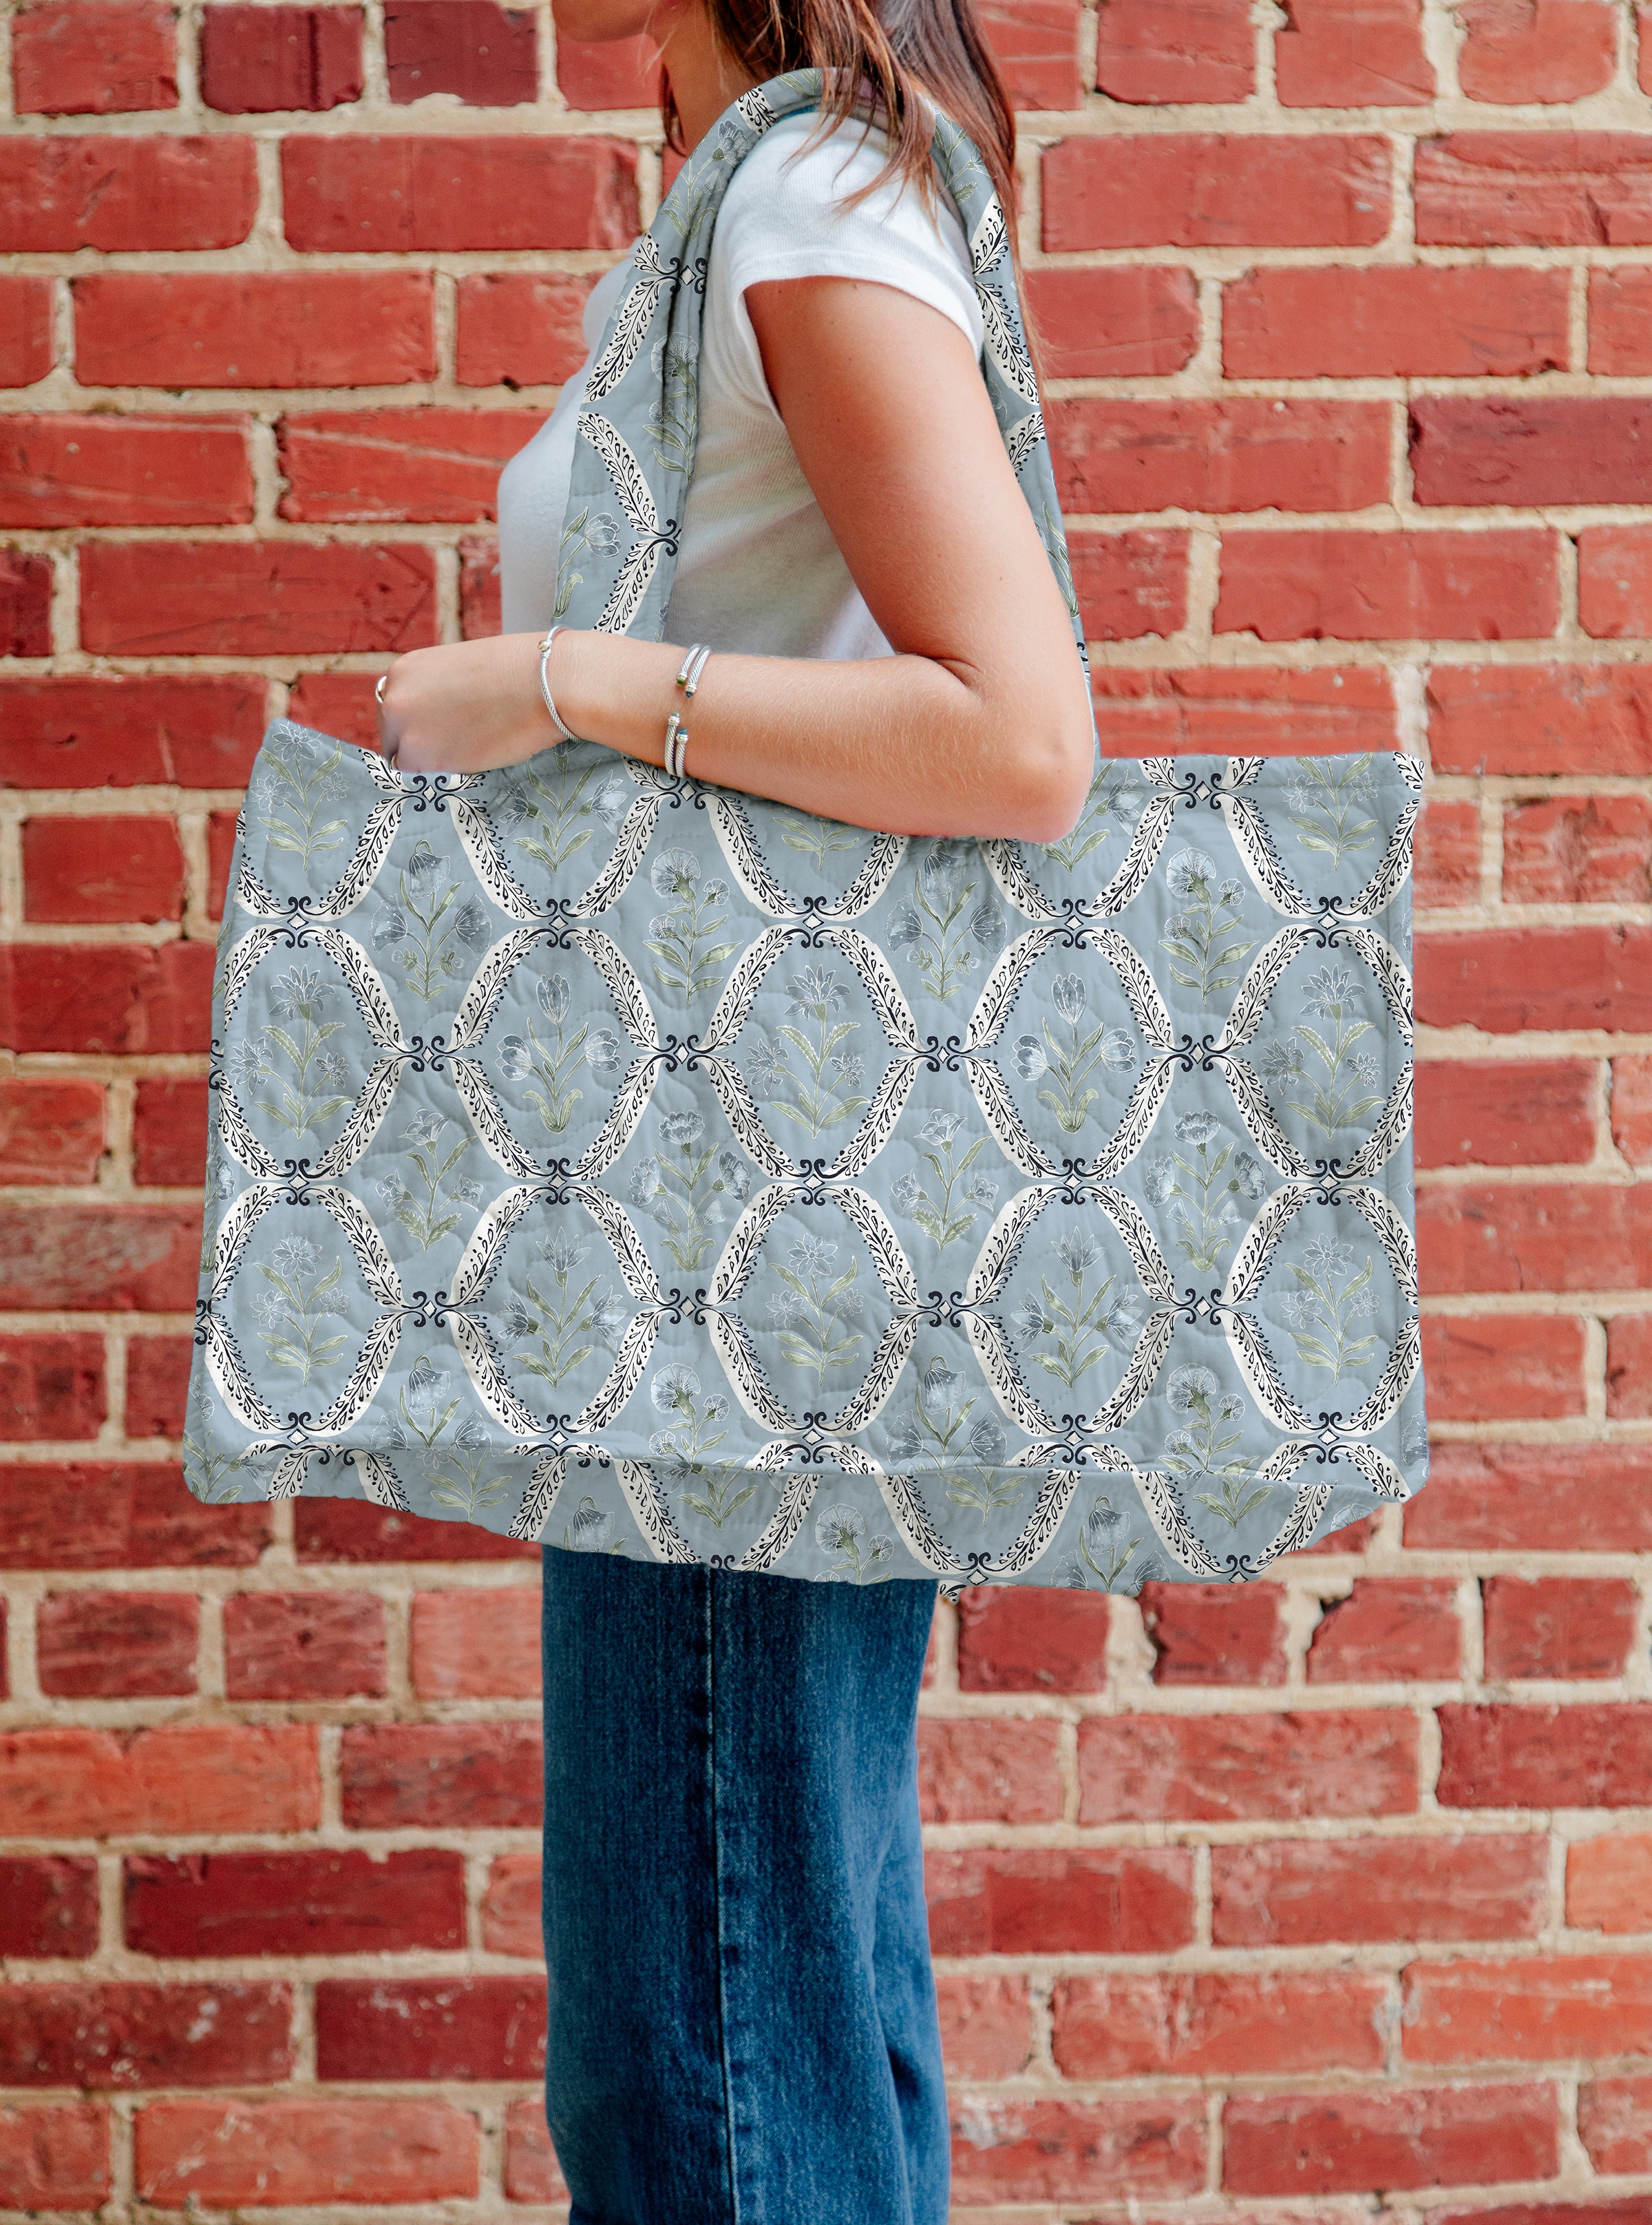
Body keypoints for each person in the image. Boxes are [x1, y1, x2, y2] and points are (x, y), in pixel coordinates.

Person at [372, 0, 1092, 2210]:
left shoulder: (801, 190)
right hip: (750, 1205)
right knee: (792, 1986)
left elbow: (1018, 738)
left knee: (704, 2049)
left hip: (739, 1237)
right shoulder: (776, 179)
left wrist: (568, 681)